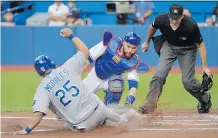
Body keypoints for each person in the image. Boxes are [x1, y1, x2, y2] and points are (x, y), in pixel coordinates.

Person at [12, 28, 128, 135]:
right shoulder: (67, 67)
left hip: (84, 125)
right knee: (107, 111)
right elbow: (84, 51)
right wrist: (71, 35)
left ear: (39, 72)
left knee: (65, 119)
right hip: (101, 111)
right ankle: (124, 120)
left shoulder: (42, 88)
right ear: (51, 63)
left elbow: (38, 113)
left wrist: (26, 130)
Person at [139, 4, 213, 114]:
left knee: (188, 82)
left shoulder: (191, 25)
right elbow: (152, 27)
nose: (174, 21)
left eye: (177, 18)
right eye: (172, 18)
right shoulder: (161, 19)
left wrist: (204, 66)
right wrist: (147, 41)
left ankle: (205, 99)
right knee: (159, 75)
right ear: (169, 15)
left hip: (188, 49)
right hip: (169, 46)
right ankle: (150, 103)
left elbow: (201, 45)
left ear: (182, 16)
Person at [82, 31, 146, 106]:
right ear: (124, 42)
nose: (130, 50)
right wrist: (78, 73)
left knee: (117, 84)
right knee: (79, 99)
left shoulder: (133, 62)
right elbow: (90, 57)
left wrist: (128, 102)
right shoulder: (111, 43)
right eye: (128, 46)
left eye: (133, 48)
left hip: (111, 81)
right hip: (95, 75)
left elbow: (133, 86)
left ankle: (109, 109)